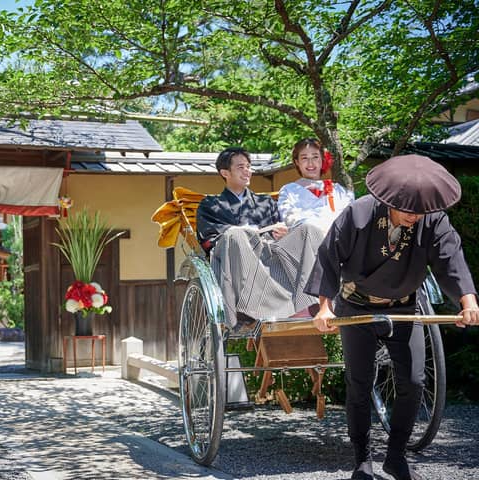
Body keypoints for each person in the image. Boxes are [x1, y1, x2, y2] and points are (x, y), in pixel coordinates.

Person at [306, 154, 479, 480]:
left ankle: (396, 454)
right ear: (389, 200)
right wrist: (324, 307)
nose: (415, 216)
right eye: (407, 210)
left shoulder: (433, 220)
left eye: (420, 210)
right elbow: (329, 258)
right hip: (357, 306)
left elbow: (451, 260)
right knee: (359, 383)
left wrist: (468, 302)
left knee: (414, 381)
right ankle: (362, 457)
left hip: (404, 307)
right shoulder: (359, 212)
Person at [197, 146, 324, 329]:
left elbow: (279, 232)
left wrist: (282, 232)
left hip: (269, 253)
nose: (247, 171)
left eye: (248, 166)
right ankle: (255, 309)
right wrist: (245, 232)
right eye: (241, 167)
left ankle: (310, 302)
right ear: (225, 172)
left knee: (307, 230)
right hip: (236, 256)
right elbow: (210, 239)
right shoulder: (211, 204)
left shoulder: (265, 202)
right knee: (236, 234)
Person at [277, 138, 354, 232]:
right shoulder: (288, 191)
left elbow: (348, 220)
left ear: (322, 159)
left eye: (315, 157)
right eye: (304, 158)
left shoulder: (339, 191)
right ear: (297, 162)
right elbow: (290, 219)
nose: (310, 163)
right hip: (306, 241)